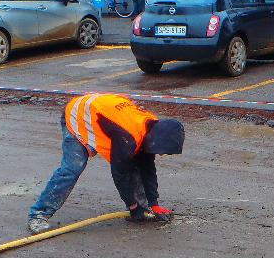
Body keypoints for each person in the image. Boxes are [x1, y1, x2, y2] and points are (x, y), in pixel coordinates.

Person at [27, 93, 184, 234]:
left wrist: (154, 203)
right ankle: (38, 214)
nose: (162, 154)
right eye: (163, 151)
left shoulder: (151, 127)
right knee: (72, 168)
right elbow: (120, 174)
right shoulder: (128, 138)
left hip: (101, 111)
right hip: (78, 115)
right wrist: (132, 206)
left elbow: (147, 167)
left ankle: (143, 209)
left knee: (136, 163)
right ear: (157, 142)